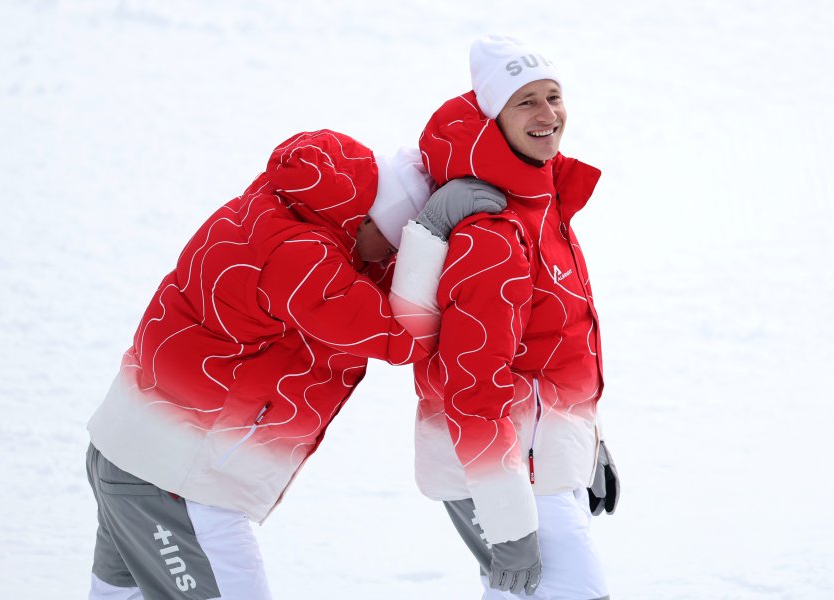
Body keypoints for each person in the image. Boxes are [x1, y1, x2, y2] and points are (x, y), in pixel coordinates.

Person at [84, 128, 504, 599]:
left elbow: (359, 287)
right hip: (174, 481)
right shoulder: (300, 258)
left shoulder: (280, 212)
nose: (391, 259)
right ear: (369, 222)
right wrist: (429, 235)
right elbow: (401, 335)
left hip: (129, 455)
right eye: (392, 246)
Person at [410, 35, 621, 599]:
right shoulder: (495, 233)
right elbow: (473, 384)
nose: (547, 114)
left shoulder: (543, 210)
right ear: (491, 119)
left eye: (553, 96)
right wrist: (508, 524)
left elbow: (555, 351)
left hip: (543, 462)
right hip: (511, 476)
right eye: (525, 101)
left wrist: (586, 442)